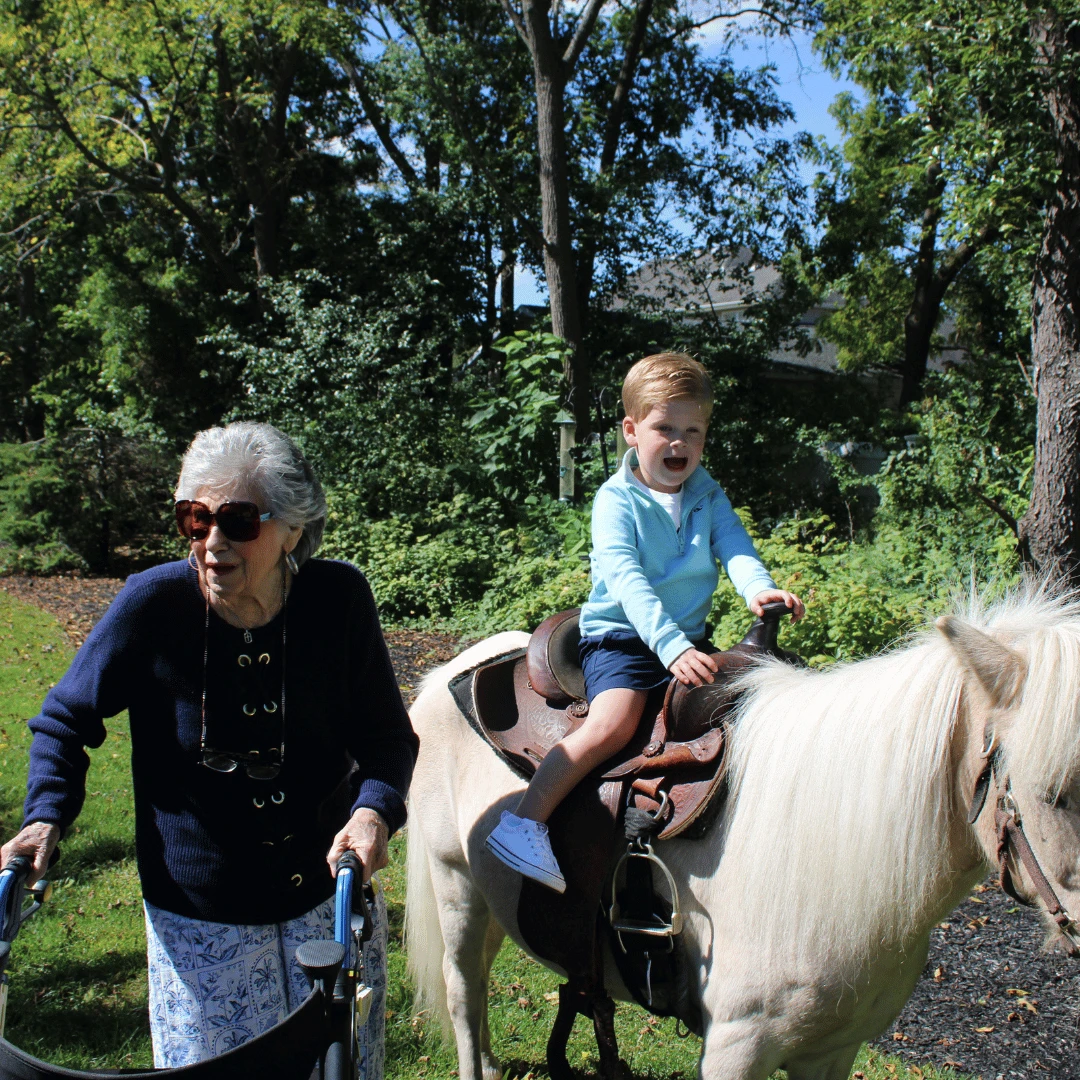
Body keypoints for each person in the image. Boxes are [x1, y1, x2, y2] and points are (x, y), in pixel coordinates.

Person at [0, 422, 417, 1075]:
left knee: (339, 1067)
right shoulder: (153, 605)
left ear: (293, 531)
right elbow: (65, 718)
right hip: (201, 926)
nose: (212, 543)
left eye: (238, 521)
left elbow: (386, 738)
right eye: (194, 520)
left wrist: (373, 812)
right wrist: (44, 815)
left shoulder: (338, 601)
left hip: (327, 904)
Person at [486, 352, 804, 891]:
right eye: (664, 428)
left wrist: (759, 587)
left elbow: (735, 545)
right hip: (624, 639)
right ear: (632, 431)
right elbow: (627, 580)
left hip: (685, 639)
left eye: (693, 430)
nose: (679, 443)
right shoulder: (616, 501)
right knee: (613, 724)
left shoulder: (705, 491)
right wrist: (669, 646)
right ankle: (525, 821)